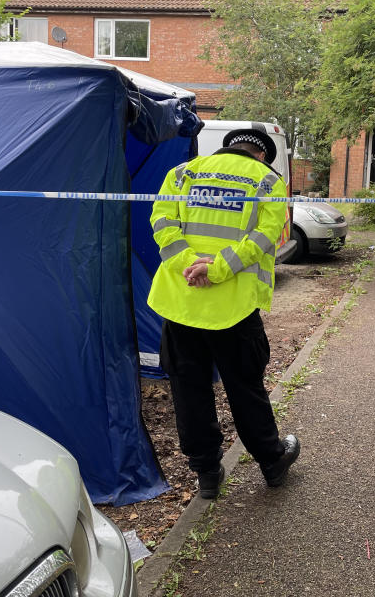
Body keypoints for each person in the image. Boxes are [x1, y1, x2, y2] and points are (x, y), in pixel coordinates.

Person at [147, 127, 300, 499]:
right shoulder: (267, 181)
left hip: (182, 302)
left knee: (189, 390)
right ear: (262, 155)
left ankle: (207, 474)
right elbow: (265, 236)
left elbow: (162, 224)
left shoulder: (182, 173)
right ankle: (272, 462)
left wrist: (189, 264)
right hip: (233, 306)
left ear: (227, 148)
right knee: (245, 388)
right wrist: (217, 269)